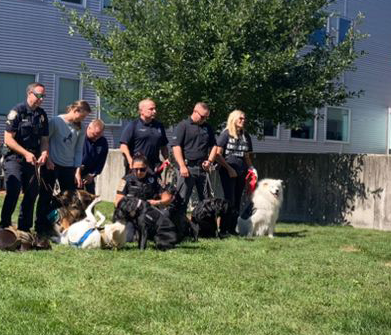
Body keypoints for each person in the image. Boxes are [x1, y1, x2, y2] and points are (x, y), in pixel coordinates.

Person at [35, 100, 91, 237]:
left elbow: (78, 150)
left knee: (68, 199)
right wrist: (47, 159)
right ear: (76, 111)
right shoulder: (56, 121)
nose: (83, 119)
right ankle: (40, 227)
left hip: (68, 167)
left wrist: (77, 171)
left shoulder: (81, 128)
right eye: (83, 116)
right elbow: (45, 141)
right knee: (45, 196)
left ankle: (64, 226)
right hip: (51, 165)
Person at [0, 82, 49, 233]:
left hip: (32, 159)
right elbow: (8, 139)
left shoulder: (41, 115)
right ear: (29, 94)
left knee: (32, 192)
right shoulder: (17, 112)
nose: (41, 99)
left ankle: (24, 228)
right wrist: (26, 153)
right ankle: (5, 226)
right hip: (14, 158)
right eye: (39, 95)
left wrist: (44, 153)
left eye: (43, 96)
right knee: (13, 190)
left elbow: (45, 139)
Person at [215, 110, 257, 233]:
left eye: (244, 119)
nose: (243, 121)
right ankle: (223, 229)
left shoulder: (246, 136)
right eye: (240, 118)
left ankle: (232, 229)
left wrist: (251, 169)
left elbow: (247, 156)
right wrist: (229, 168)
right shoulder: (226, 134)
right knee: (229, 200)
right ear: (233, 119)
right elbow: (218, 154)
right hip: (227, 171)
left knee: (238, 199)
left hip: (241, 171)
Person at [115, 153, 172, 242]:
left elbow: (168, 198)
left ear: (147, 167)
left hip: (148, 213)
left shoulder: (154, 179)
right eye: (136, 169)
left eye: (142, 169)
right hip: (131, 215)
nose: (139, 172)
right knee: (128, 238)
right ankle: (136, 233)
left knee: (166, 214)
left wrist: (156, 202)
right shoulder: (125, 180)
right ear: (131, 168)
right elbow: (118, 202)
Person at [171, 102, 217, 213]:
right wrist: (182, 166)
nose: (204, 119)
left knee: (206, 202)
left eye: (206, 117)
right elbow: (176, 147)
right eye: (202, 116)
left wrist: (210, 161)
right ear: (195, 112)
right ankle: (179, 228)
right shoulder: (183, 126)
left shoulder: (207, 128)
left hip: (202, 169)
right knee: (182, 200)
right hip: (187, 168)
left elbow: (214, 146)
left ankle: (205, 229)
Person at [119, 99, 169, 174]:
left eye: (155, 109)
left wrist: (166, 159)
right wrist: (130, 161)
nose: (154, 111)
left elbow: (163, 146)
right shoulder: (133, 125)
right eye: (151, 109)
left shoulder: (159, 126)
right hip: (137, 168)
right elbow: (123, 146)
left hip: (154, 168)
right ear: (141, 111)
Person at [76, 119, 108, 194]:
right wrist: (77, 171)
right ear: (88, 128)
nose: (96, 138)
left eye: (99, 135)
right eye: (94, 134)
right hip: (74, 172)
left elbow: (101, 161)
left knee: (90, 198)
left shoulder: (102, 142)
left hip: (89, 174)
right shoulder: (79, 136)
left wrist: (92, 174)